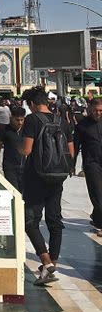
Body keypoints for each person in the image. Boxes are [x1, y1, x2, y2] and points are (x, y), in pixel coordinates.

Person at [20, 87, 74, 286]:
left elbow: (26, 150)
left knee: (30, 220)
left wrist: (18, 145)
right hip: (57, 177)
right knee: (55, 220)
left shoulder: (32, 120)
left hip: (36, 177)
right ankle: (53, 262)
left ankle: (45, 261)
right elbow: (71, 151)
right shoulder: (62, 120)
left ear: (33, 104)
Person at [73, 97, 102, 233]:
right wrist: (71, 164)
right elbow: (75, 145)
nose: (98, 113)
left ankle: (97, 218)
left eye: (101, 110)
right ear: (90, 109)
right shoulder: (82, 126)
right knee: (97, 194)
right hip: (92, 164)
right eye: (95, 110)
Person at [0, 106, 26, 191]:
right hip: (10, 167)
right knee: (14, 191)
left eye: (22, 120)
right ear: (11, 118)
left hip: (24, 167)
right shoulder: (3, 129)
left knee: (23, 192)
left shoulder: (26, 130)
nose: (20, 123)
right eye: (17, 120)